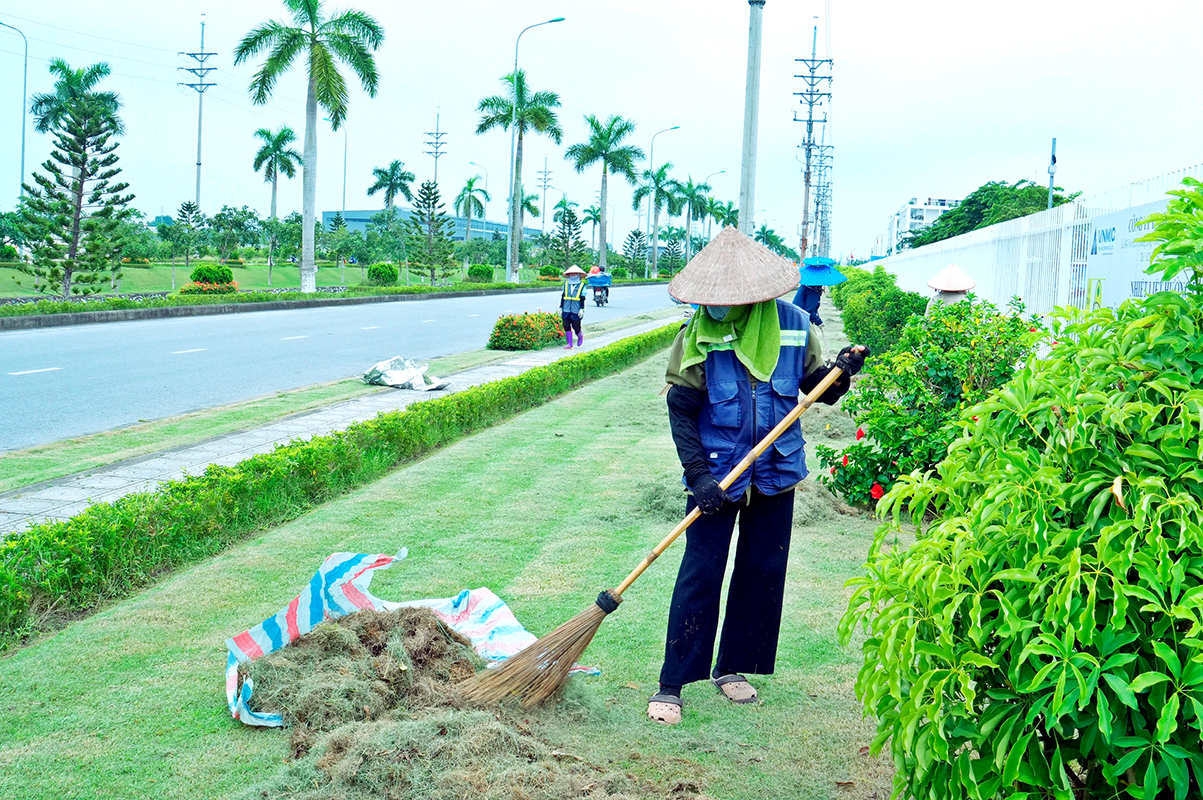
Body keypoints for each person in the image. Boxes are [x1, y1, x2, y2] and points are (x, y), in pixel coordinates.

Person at [647, 227, 869, 726]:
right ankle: (672, 681)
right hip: (718, 475)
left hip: (777, 470)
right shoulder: (697, 335)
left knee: (761, 570)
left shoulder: (795, 326)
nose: (719, 306)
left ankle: (733, 668)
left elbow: (819, 391)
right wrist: (698, 474)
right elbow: (681, 410)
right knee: (700, 571)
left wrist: (842, 371)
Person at [559, 265, 588, 349]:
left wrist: (582, 309)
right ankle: (570, 344)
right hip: (566, 308)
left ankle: (580, 335)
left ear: (578, 274)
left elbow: (582, 298)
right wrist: (561, 307)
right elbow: (563, 296)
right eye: (571, 273)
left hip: (576, 309)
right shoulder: (566, 284)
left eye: (575, 273)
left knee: (576, 326)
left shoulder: (582, 285)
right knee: (566, 325)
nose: (573, 275)